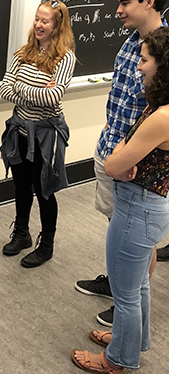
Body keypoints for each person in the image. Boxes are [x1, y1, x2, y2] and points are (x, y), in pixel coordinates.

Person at [72, 26, 169, 374]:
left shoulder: (161, 116)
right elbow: (124, 160)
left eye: (145, 60)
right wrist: (125, 159)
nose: (139, 66)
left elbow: (114, 164)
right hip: (148, 205)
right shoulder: (162, 107)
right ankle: (133, 341)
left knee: (125, 292)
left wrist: (122, 159)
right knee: (138, 283)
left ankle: (117, 361)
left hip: (136, 208)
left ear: (163, 65)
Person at [0, 0, 76, 268]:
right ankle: (22, 233)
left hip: (45, 135)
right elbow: (4, 90)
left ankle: (47, 245)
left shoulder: (65, 58)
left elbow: (54, 97)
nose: (39, 24)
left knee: (44, 189)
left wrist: (22, 88)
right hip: (19, 130)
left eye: (45, 20)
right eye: (37, 19)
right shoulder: (23, 53)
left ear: (57, 25)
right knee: (21, 184)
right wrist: (38, 91)